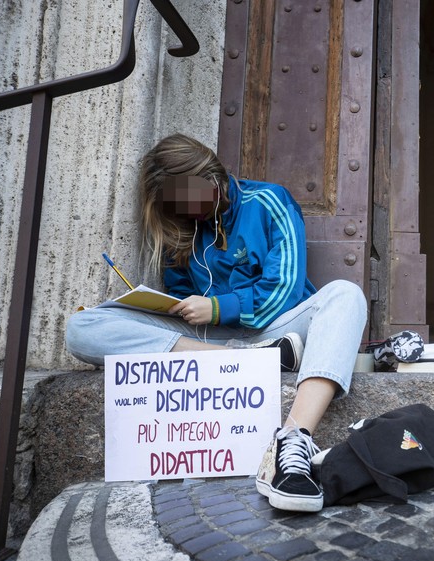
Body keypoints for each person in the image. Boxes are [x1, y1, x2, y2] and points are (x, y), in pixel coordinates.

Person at [65, 133, 368, 513]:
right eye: (177, 205)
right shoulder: (182, 226)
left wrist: (218, 307)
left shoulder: (269, 201)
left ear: (212, 178)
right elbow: (177, 293)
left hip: (280, 330)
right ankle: (243, 359)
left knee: (346, 294)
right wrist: (171, 307)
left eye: (190, 198)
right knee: (82, 327)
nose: (188, 211)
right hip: (213, 342)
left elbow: (287, 289)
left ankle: (292, 440)